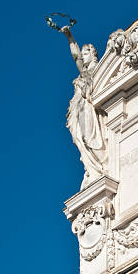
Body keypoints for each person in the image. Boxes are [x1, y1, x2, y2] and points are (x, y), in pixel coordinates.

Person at [61, 25, 107, 188]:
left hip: (88, 110)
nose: (82, 56)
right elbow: (76, 57)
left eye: (85, 52)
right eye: (83, 53)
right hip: (79, 111)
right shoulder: (84, 74)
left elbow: (76, 58)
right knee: (81, 139)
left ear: (93, 55)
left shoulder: (98, 71)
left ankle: (102, 166)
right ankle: (95, 169)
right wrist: (69, 37)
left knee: (89, 138)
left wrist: (70, 37)